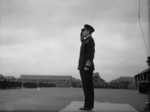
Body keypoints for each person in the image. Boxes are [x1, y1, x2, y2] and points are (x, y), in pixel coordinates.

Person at [78, 24, 95, 110]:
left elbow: (90, 54)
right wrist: (81, 37)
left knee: (88, 87)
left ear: (88, 31)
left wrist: (87, 66)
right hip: (82, 67)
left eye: (84, 30)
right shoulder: (86, 41)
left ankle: (88, 106)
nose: (83, 31)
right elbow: (83, 43)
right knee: (86, 87)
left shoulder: (90, 40)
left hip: (86, 67)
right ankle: (88, 105)